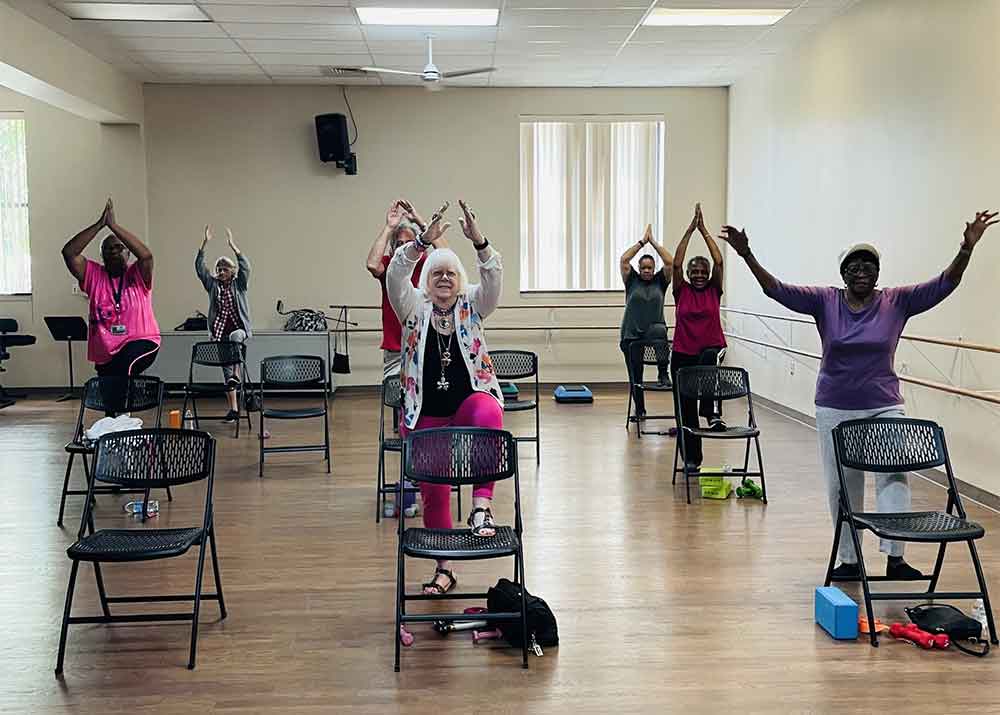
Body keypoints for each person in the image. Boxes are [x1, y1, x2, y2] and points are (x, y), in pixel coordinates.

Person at [721, 210, 997, 580]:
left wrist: (966, 248)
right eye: (854, 265)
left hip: (884, 405)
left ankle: (895, 557)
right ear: (843, 274)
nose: (862, 270)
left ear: (878, 272)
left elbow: (943, 285)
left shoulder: (897, 302)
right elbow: (778, 290)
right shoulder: (825, 301)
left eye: (869, 263)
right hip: (835, 407)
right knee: (842, 485)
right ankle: (849, 560)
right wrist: (747, 255)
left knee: (895, 475)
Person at [387, 199, 504, 596]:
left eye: (450, 273)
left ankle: (481, 505)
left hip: (465, 404)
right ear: (426, 280)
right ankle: (444, 568)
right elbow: (394, 274)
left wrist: (480, 242)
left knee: (489, 409)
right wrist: (421, 242)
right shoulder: (412, 307)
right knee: (434, 492)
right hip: (425, 414)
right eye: (436, 273)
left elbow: (493, 279)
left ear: (460, 278)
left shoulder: (474, 303)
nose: (443, 279)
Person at [62, 198, 160, 415]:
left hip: (141, 341)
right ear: (103, 256)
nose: (114, 252)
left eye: (119, 248)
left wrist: (114, 226)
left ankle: (123, 422)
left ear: (128, 253)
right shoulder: (94, 275)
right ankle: (115, 430)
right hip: (105, 350)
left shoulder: (138, 274)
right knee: (109, 399)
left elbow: (147, 255)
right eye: (108, 250)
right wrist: (100, 225)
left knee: (124, 365)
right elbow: (69, 253)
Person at [671, 204, 728, 472]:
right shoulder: (680, 291)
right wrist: (689, 230)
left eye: (703, 272)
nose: (699, 275)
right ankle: (692, 460)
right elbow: (677, 263)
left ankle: (712, 412)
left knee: (709, 357)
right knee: (685, 411)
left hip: (707, 351)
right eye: (695, 271)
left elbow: (718, 261)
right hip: (682, 354)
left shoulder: (714, 290)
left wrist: (704, 230)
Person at [196, 225, 252, 422]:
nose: (220, 271)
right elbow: (199, 269)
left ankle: (236, 374)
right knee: (227, 373)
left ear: (232, 271)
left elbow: (246, 267)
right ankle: (234, 410)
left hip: (238, 330)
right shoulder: (213, 286)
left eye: (224, 268)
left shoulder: (240, 285)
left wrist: (233, 247)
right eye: (218, 269)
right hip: (220, 333)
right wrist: (204, 244)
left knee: (236, 338)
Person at [620, 224, 673, 416]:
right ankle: (640, 409)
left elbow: (670, 262)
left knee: (660, 329)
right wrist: (642, 242)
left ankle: (662, 373)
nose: (647, 270)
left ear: (654, 269)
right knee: (636, 374)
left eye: (650, 267)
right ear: (639, 269)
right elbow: (624, 259)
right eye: (643, 267)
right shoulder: (632, 280)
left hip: (652, 332)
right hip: (631, 334)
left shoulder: (661, 281)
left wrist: (654, 243)